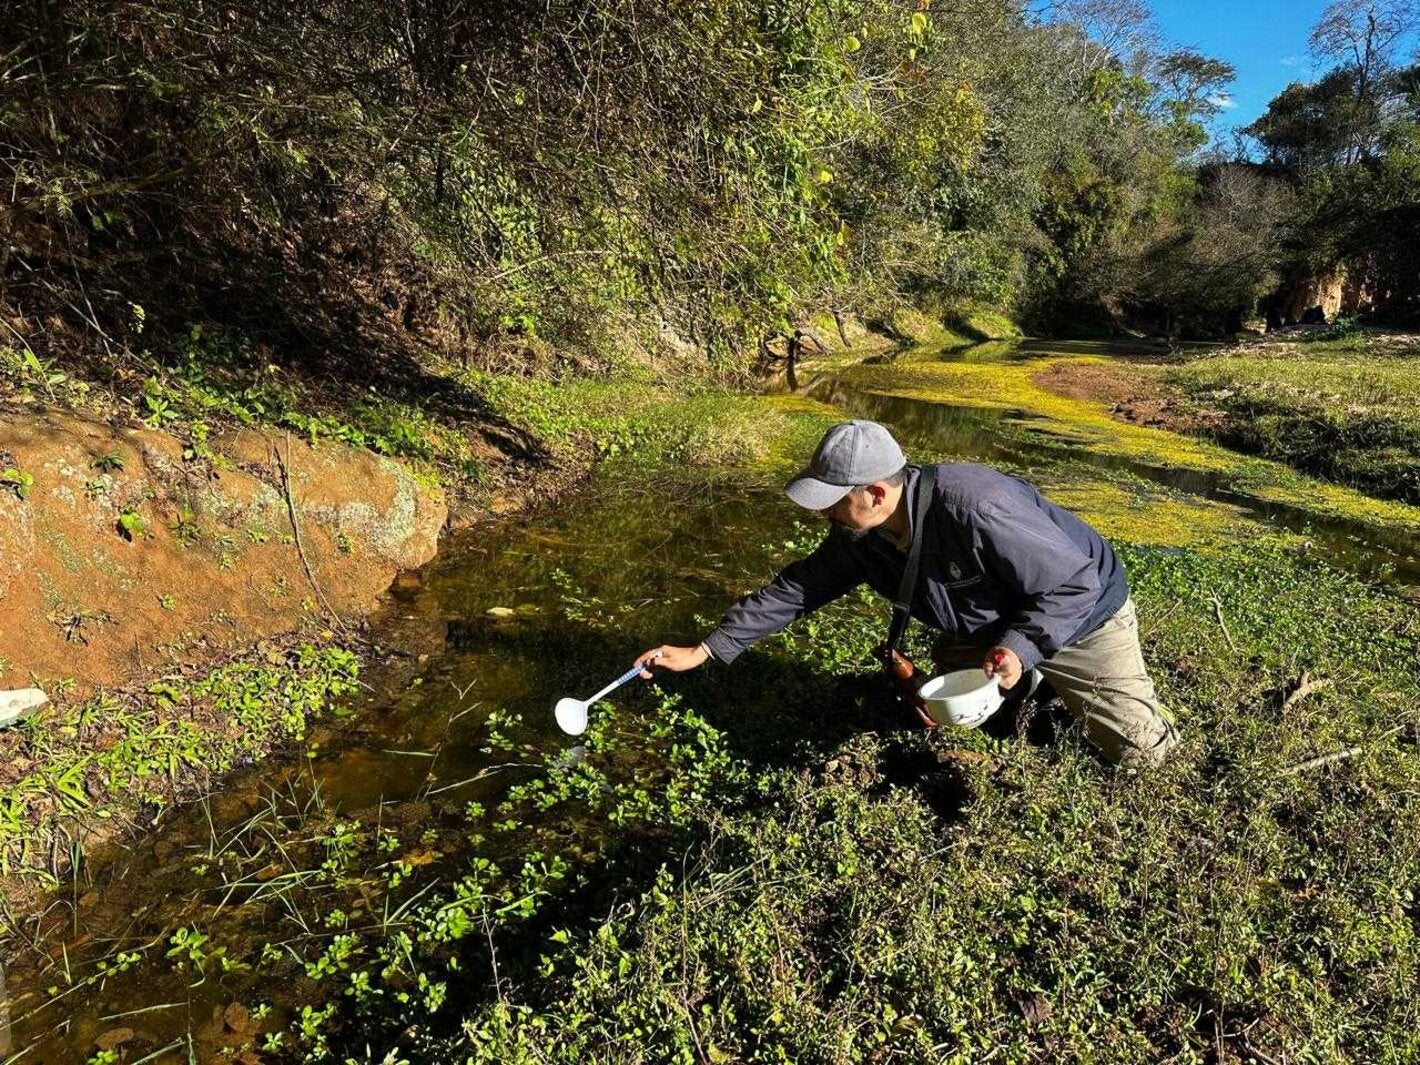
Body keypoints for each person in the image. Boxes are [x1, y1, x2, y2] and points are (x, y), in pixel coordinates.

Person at [634, 419, 1179, 767]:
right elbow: (803, 586)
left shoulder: (976, 504)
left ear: (874, 492)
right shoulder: (861, 532)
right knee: (941, 710)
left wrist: (1020, 646)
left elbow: (1073, 583)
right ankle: (1032, 684)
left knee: (1140, 757)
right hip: (989, 618)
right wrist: (707, 648)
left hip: (1082, 615)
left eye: (830, 499)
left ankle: (1044, 674)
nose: (822, 510)